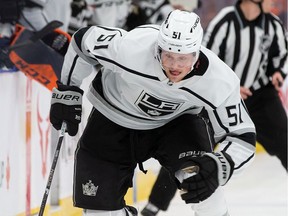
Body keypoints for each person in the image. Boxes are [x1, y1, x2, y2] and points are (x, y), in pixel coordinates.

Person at [49, 10, 256, 216]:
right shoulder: (132, 47)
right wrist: (68, 90)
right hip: (113, 117)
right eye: (168, 56)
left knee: (203, 185)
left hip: (177, 124)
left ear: (197, 53)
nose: (174, 66)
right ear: (158, 48)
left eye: (183, 58)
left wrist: (220, 165)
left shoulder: (219, 80)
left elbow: (243, 137)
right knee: (99, 213)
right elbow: (83, 41)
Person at [203, 0, 288, 170]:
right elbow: (206, 62)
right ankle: (157, 198)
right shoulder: (224, 21)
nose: (273, 2)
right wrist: (228, 88)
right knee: (192, 146)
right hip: (222, 99)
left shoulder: (272, 24)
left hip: (260, 96)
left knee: (285, 144)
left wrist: (277, 72)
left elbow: (280, 55)